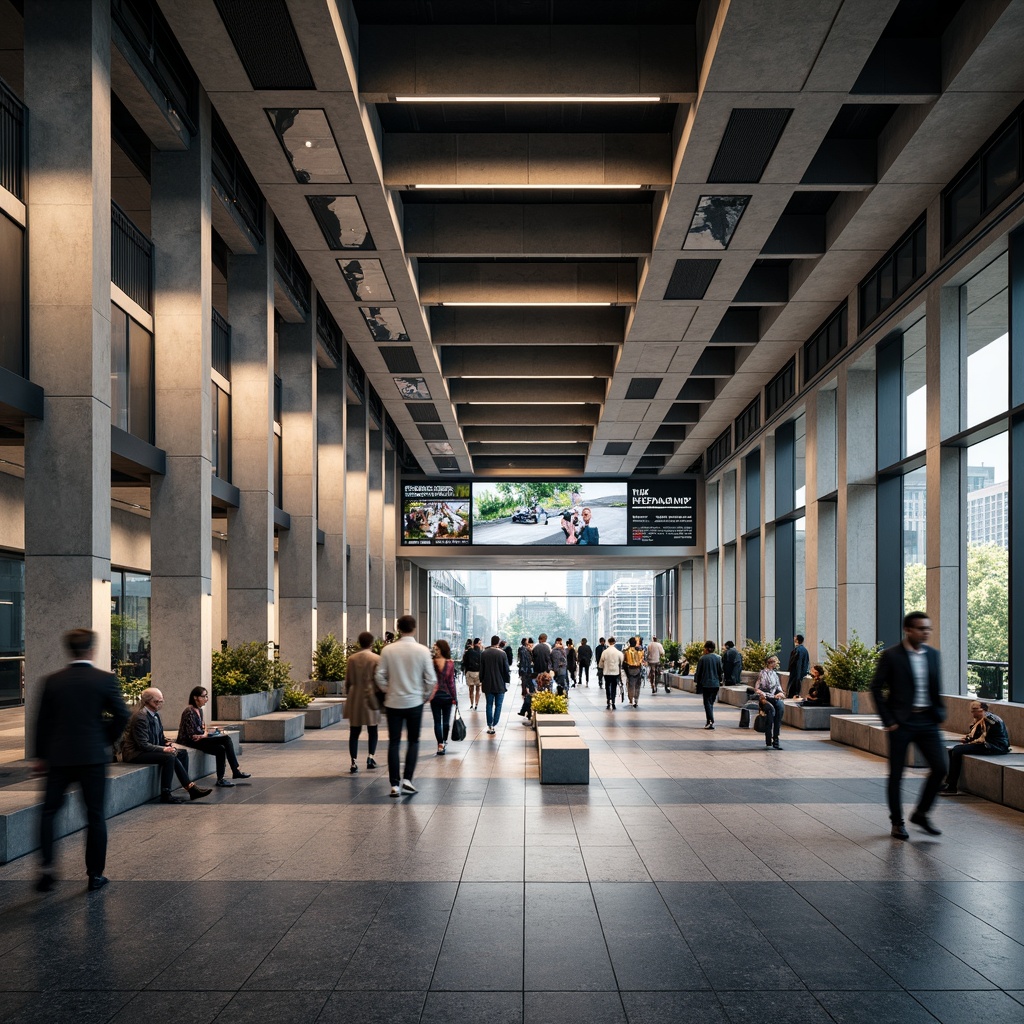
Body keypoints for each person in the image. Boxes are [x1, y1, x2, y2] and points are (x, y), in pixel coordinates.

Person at [33, 628, 131, 893]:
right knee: (95, 816)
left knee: (49, 812)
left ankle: (47, 870)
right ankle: (94, 875)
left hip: (59, 757)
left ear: (69, 650)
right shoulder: (104, 679)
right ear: (91, 650)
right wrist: (104, 739)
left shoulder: (52, 681)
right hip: (92, 758)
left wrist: (40, 756)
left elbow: (41, 722)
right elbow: (122, 715)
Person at [870, 611, 946, 839]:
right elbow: (875, 687)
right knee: (897, 774)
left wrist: (939, 712)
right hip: (901, 723)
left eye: (928, 629)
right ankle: (897, 822)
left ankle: (921, 813)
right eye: (922, 629)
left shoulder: (933, 655)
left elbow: (935, 686)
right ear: (908, 630)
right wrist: (889, 721)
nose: (926, 633)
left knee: (941, 768)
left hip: (927, 720)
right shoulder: (892, 655)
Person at [375, 614, 437, 797]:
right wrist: (424, 696)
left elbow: (379, 675)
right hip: (414, 702)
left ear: (398, 628)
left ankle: (394, 784)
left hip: (393, 702)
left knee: (394, 742)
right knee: (413, 741)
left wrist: (388, 689)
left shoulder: (388, 650)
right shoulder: (422, 651)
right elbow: (431, 679)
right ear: (414, 628)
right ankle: (408, 779)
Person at [122, 687, 212, 804]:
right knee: (169, 757)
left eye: (161, 701)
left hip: (148, 749)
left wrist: (167, 743)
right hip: (135, 753)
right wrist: (164, 749)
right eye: (157, 702)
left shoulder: (156, 715)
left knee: (182, 753)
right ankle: (166, 793)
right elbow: (143, 744)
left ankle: (187, 785)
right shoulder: (140, 717)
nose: (160, 704)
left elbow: (159, 737)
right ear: (147, 702)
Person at [176, 687, 251, 786]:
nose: (206, 699)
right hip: (189, 741)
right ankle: (235, 770)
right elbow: (192, 735)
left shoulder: (199, 710)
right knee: (226, 739)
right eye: (204, 696)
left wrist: (207, 733)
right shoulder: (189, 711)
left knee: (220, 749)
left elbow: (202, 729)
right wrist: (205, 734)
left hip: (200, 739)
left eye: (207, 696)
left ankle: (221, 779)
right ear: (195, 697)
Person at [942, 700, 1011, 795]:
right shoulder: (980, 720)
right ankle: (949, 783)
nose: (973, 712)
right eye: (972, 710)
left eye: (975, 709)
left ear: (984, 709)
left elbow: (982, 738)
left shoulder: (989, 719)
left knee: (957, 750)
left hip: (995, 746)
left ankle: (951, 786)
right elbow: (974, 736)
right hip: (988, 744)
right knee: (953, 750)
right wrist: (967, 740)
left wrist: (969, 742)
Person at [343, 630, 381, 773]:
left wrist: (348, 694)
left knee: (354, 731)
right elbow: (379, 680)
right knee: (373, 729)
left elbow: (348, 681)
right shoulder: (376, 659)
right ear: (371, 643)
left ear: (359, 643)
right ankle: (370, 758)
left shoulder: (351, 659)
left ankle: (353, 762)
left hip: (355, 697)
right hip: (370, 697)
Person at [430, 639, 458, 754]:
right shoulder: (450, 663)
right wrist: (454, 697)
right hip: (447, 696)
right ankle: (444, 741)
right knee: (446, 721)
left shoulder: (432, 662)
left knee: (437, 721)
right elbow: (451, 682)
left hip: (435, 696)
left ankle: (440, 744)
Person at [754, 656, 785, 750]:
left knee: (780, 709)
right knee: (771, 712)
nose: (776, 664)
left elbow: (779, 687)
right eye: (775, 662)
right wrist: (763, 695)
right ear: (770, 663)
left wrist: (780, 693)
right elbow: (757, 688)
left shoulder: (775, 674)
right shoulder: (762, 673)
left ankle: (776, 738)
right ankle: (768, 738)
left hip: (774, 697)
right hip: (765, 698)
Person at [481, 634, 510, 735]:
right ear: (498, 642)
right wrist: (507, 680)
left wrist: (482, 680)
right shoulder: (502, 654)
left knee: (489, 704)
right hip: (500, 684)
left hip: (488, 683)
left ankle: (490, 725)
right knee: (498, 705)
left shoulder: (484, 653)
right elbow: (506, 670)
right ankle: (495, 723)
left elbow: (482, 669)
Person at [694, 641, 724, 729]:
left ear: (706, 649)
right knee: (711, 702)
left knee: (707, 702)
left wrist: (697, 682)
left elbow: (698, 672)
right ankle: (710, 720)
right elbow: (720, 671)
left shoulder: (702, 659)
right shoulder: (718, 658)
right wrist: (720, 681)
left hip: (706, 684)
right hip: (715, 684)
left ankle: (710, 721)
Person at [599, 636, 624, 711]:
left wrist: (601, 668)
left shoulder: (605, 652)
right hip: (615, 672)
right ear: (614, 642)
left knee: (607, 686)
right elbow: (621, 662)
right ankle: (613, 701)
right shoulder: (618, 652)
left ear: (608, 642)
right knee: (614, 686)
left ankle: (608, 700)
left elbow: (601, 663)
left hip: (606, 672)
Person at [623, 637, 645, 708]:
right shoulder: (639, 651)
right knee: (637, 685)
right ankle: (636, 699)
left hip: (630, 669)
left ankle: (630, 699)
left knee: (630, 685)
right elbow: (642, 659)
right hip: (638, 669)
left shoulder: (626, 651)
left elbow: (624, 661)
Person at [462, 638, 482, 711]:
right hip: (478, 672)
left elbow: (464, 662)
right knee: (478, 689)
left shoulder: (468, 652)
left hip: (469, 672)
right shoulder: (481, 652)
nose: (480, 645)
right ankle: (476, 704)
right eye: (479, 643)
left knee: (471, 689)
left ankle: (471, 704)